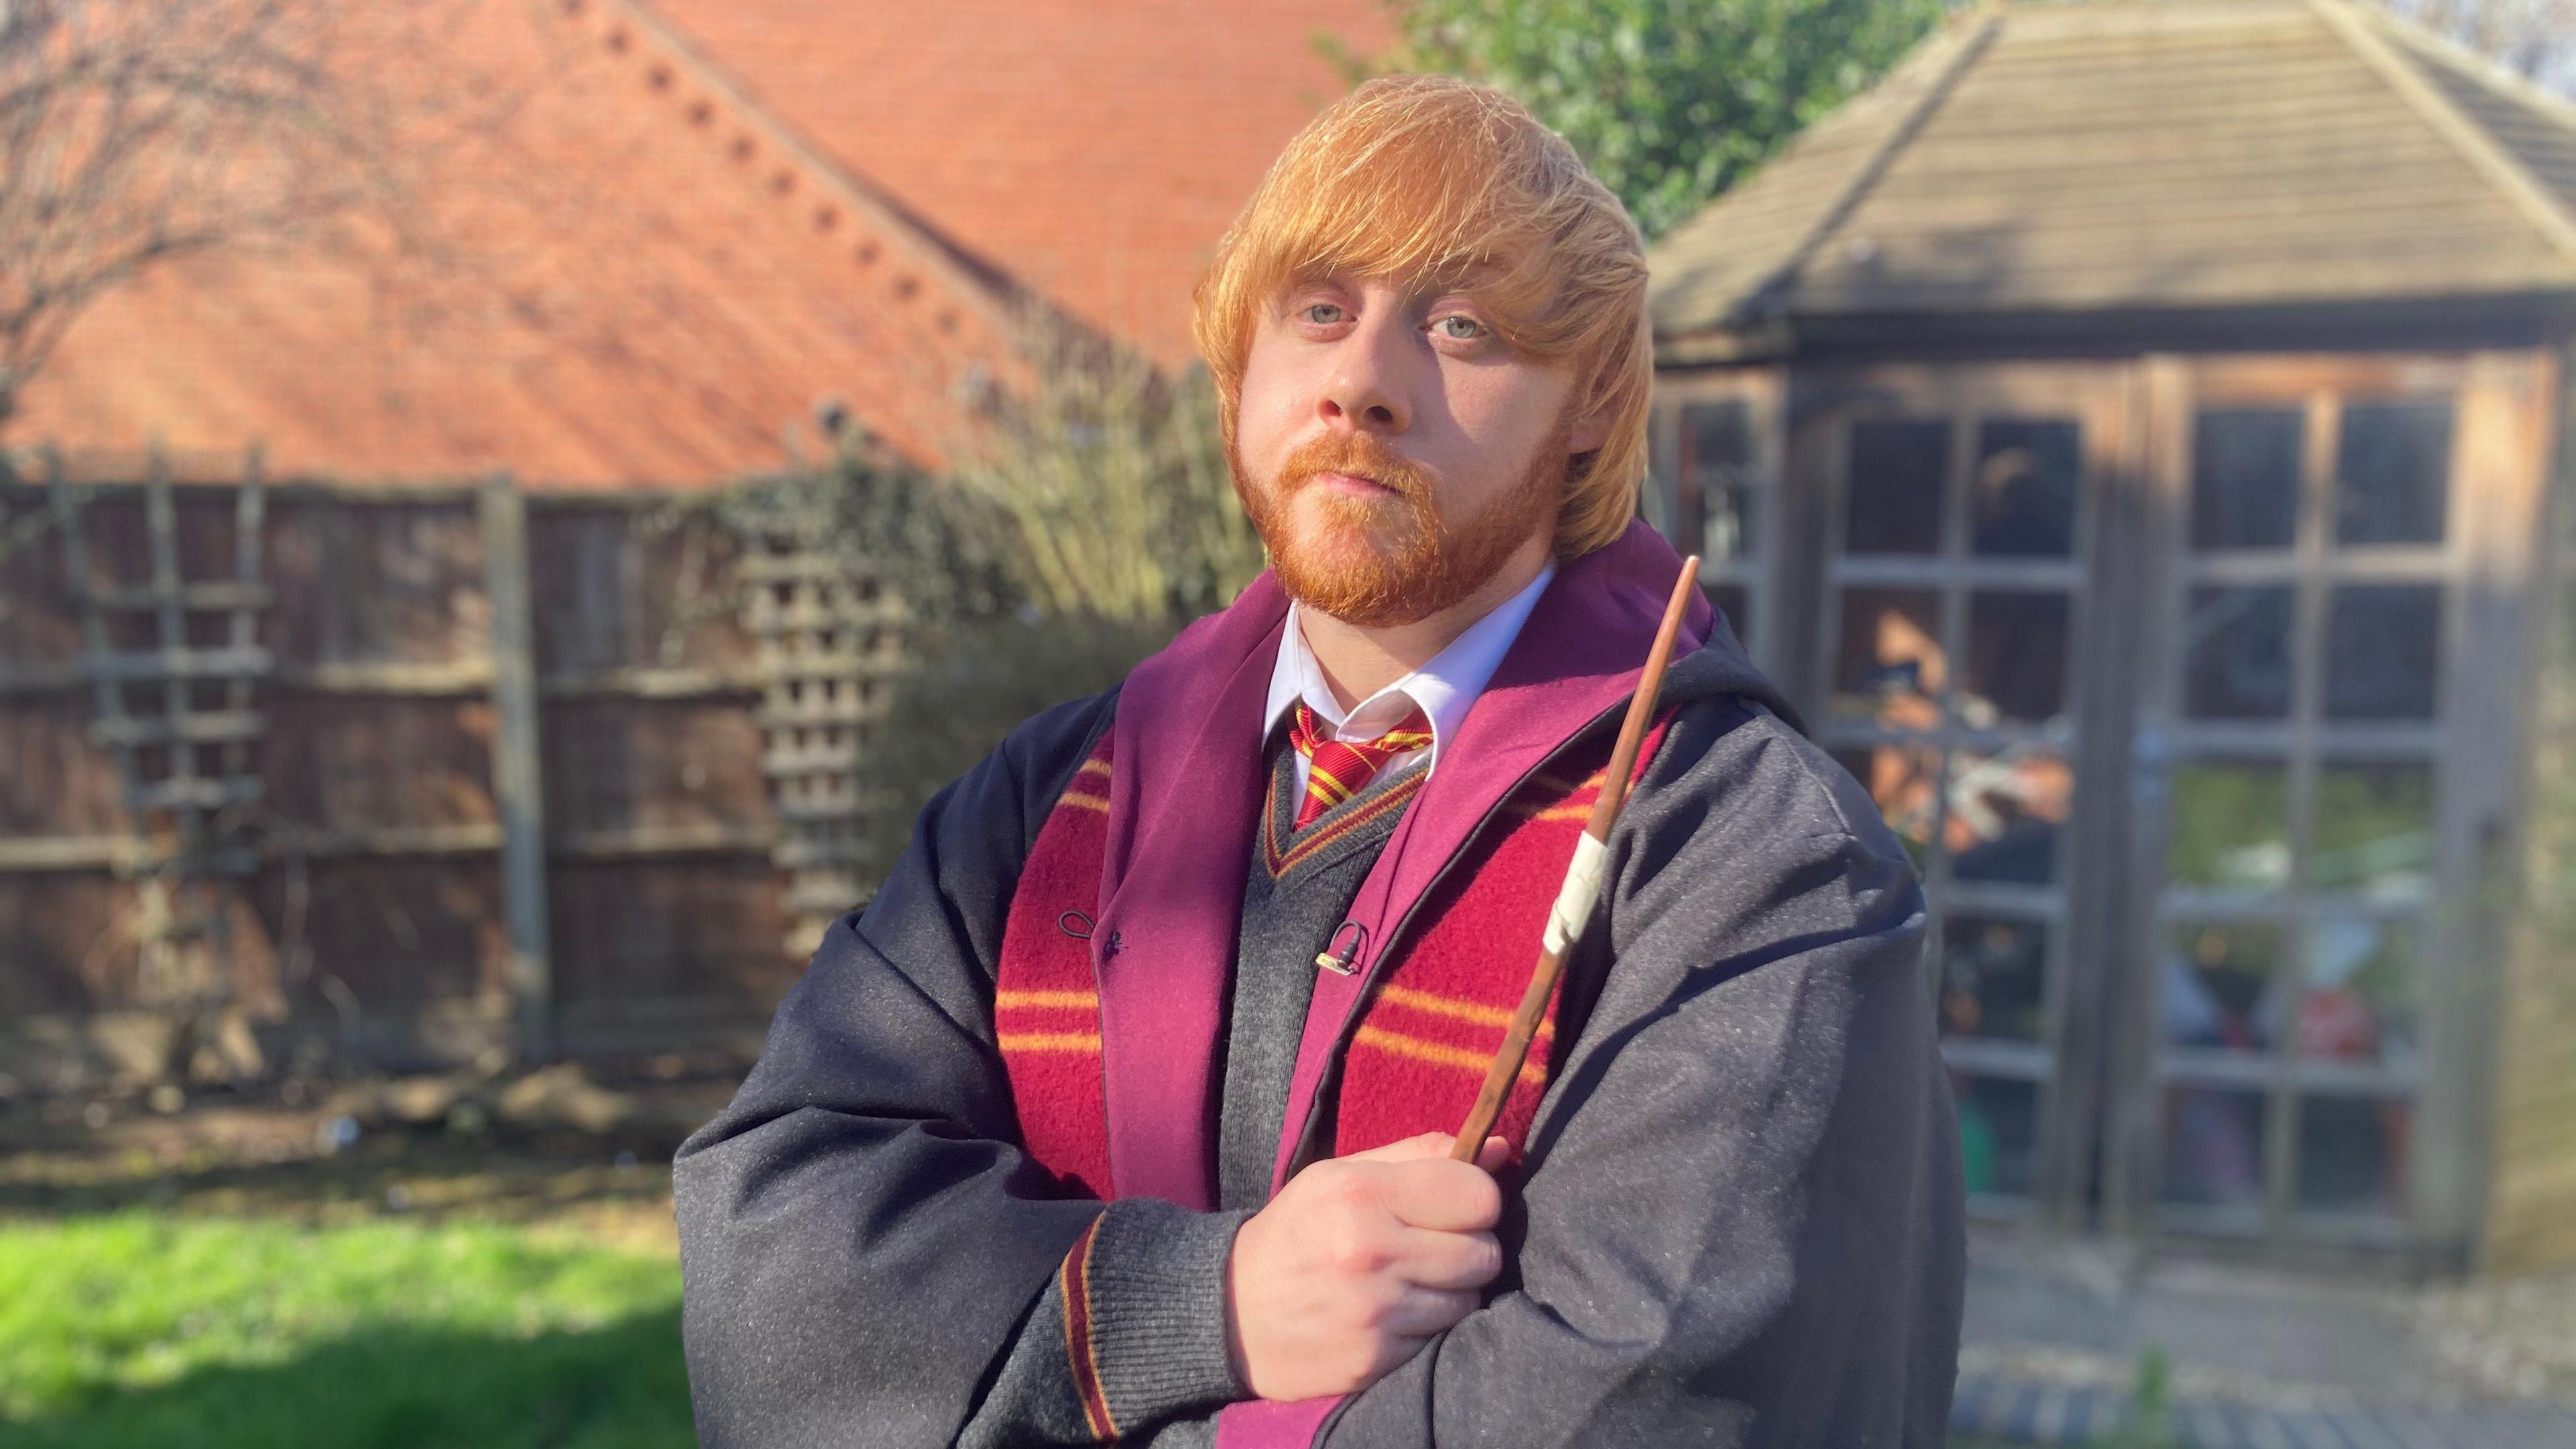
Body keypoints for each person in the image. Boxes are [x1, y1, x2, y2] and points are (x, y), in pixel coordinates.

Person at [676, 75, 1964, 1448]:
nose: (1362, 385)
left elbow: (1655, 1404)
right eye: (1318, 311)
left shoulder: (1755, 871)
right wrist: (1196, 1307)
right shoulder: (1041, 806)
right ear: (1244, 365)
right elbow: (770, 1258)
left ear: (1588, 405)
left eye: (1461, 326)